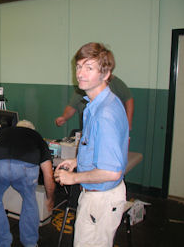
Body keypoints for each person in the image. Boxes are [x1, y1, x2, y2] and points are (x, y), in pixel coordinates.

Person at [54, 42, 129, 247]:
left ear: (105, 74)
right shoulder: (97, 104)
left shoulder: (104, 113)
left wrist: (73, 178)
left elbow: (111, 171)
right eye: (79, 66)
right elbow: (97, 147)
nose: (80, 73)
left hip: (101, 199)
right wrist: (78, 160)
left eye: (89, 68)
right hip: (98, 197)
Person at [0, 120, 56, 247]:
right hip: (25, 168)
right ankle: (30, 243)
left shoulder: (4, 132)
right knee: (29, 201)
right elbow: (48, 174)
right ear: (32, 130)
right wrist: (50, 198)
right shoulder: (37, 137)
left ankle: (1, 242)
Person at [55, 75, 134, 131]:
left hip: (111, 128)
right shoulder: (83, 86)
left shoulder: (114, 83)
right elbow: (72, 105)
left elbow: (129, 99)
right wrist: (64, 117)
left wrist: (128, 122)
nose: (80, 73)